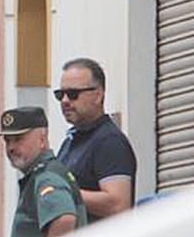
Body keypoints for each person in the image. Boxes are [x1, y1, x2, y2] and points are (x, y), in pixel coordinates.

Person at [55, 57, 137, 221]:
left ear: (98, 95)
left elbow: (118, 204)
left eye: (73, 94)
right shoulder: (71, 142)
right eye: (60, 94)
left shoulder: (109, 142)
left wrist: (62, 193)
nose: (65, 101)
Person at [0, 106, 86, 237]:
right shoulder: (42, 174)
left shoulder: (46, 177)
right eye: (7, 141)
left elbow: (64, 219)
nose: (11, 147)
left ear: (42, 139)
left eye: (18, 139)